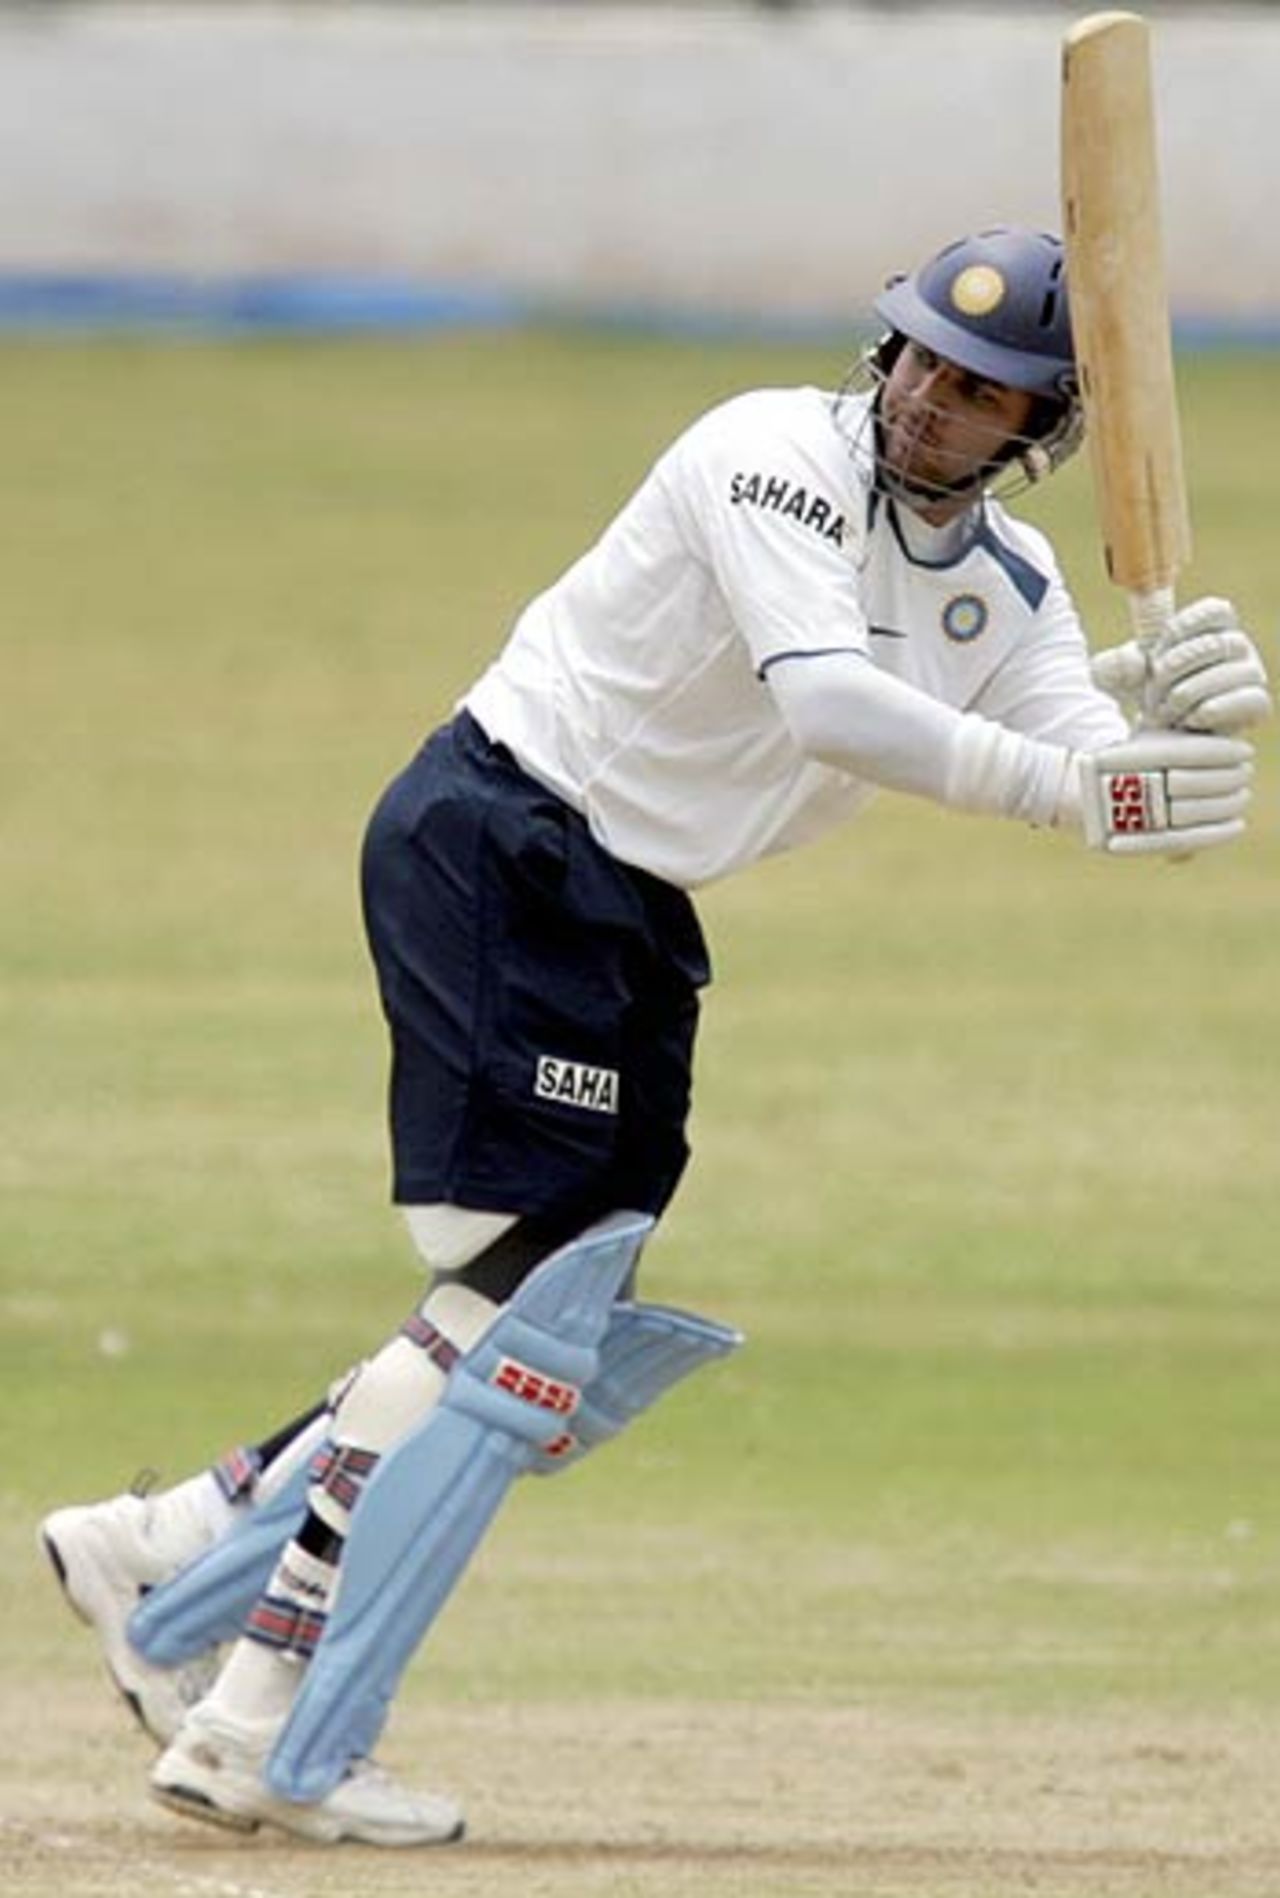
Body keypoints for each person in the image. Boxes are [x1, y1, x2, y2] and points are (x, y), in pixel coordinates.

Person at [41, 226, 1271, 1848]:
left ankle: (173, 1549)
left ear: (1037, 432)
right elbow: (841, 707)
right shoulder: (766, 456)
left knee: (537, 1303)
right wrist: (1075, 782)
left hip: (627, 909)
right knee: (515, 1291)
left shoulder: (1011, 591)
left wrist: (1185, 736)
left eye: (979, 393)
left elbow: (1122, 795)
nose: (925, 402)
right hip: (504, 834)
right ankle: (263, 1710)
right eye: (917, 359)